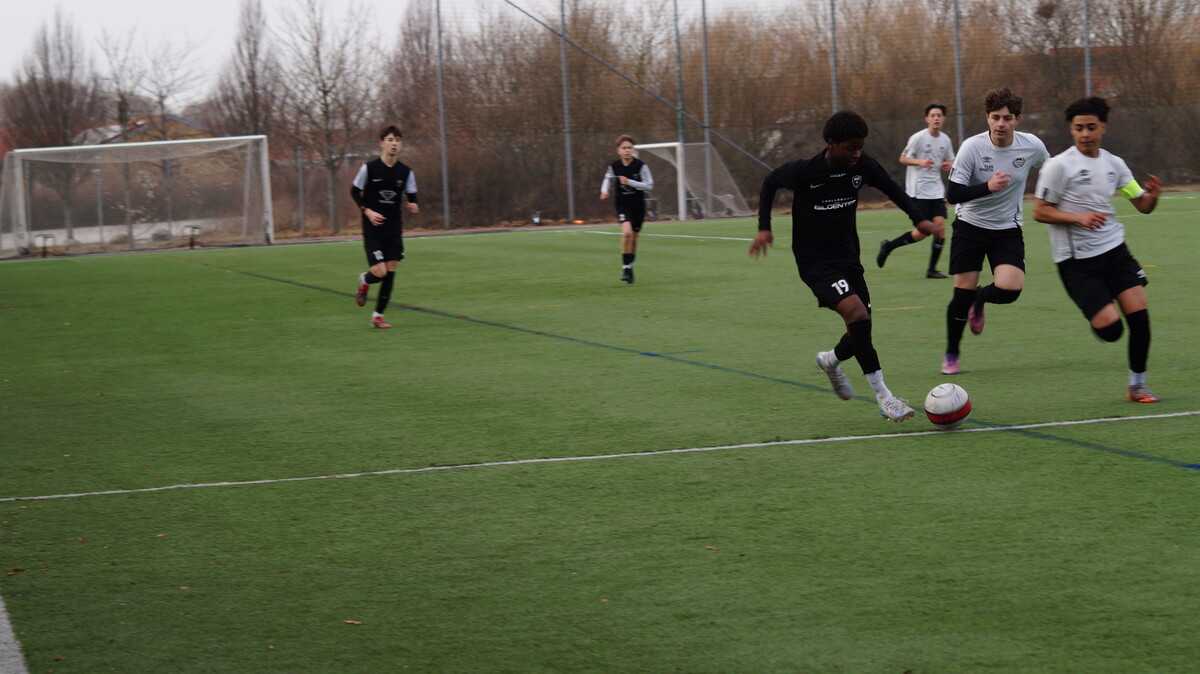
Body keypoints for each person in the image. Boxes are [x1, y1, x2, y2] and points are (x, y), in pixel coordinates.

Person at [750, 111, 938, 423]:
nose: (857, 154)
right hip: (815, 262)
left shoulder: (862, 166)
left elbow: (891, 187)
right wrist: (764, 227)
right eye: (851, 148)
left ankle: (830, 360)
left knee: (860, 328)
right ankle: (885, 398)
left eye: (860, 147)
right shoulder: (805, 171)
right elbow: (770, 182)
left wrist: (918, 219)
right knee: (858, 315)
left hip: (848, 258)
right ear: (831, 143)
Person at [1033, 97, 1163, 402]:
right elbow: (1040, 211)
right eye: (1079, 128)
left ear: (1103, 127)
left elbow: (1142, 204)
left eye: (1091, 127)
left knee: (1140, 318)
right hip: (1077, 262)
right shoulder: (1058, 166)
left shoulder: (1114, 164)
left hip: (1115, 251)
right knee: (1111, 331)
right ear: (1071, 129)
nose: (1085, 134)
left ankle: (1137, 385)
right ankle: (1100, 307)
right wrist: (1078, 217)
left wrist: (1153, 195)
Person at [940, 87, 1048, 375]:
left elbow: (1051, 170)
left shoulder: (1032, 146)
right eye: (996, 117)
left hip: (1006, 229)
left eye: (1007, 118)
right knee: (960, 295)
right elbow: (953, 194)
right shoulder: (971, 147)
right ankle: (952, 353)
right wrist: (987, 187)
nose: (1001, 124)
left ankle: (980, 297)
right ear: (987, 117)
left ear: (1018, 120)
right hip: (969, 227)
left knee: (1010, 290)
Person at [876, 103, 955, 278]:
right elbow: (903, 158)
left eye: (939, 115)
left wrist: (949, 164)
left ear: (944, 118)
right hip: (919, 191)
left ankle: (932, 270)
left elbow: (952, 159)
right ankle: (889, 246)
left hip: (937, 191)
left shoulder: (945, 140)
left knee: (940, 229)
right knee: (923, 233)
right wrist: (920, 162)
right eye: (932, 115)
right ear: (927, 118)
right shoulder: (918, 138)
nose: (936, 118)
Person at [352, 125, 419, 329]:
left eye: (397, 140)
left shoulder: (405, 172)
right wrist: (367, 211)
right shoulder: (369, 168)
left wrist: (413, 204)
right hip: (373, 228)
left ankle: (378, 316)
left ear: (401, 144)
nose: (394, 143)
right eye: (390, 140)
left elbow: (412, 194)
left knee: (390, 272)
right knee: (379, 272)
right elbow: (354, 191)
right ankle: (365, 280)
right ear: (381, 143)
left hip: (394, 228)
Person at [600, 135, 653, 283]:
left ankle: (630, 267)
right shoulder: (614, 166)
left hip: (638, 205)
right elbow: (607, 179)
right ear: (618, 150)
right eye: (624, 148)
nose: (627, 150)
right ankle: (625, 268)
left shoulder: (641, 166)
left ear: (633, 150)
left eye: (629, 148)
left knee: (634, 238)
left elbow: (649, 186)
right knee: (627, 233)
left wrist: (630, 182)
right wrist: (604, 191)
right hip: (622, 204)